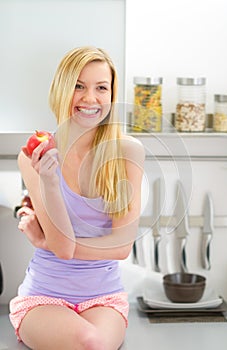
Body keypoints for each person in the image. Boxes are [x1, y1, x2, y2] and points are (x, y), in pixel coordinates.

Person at [9, 46, 145, 350]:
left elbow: (121, 246)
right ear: (62, 90)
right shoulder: (33, 155)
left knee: (93, 343)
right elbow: (63, 247)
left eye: (101, 88)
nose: (90, 98)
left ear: (112, 95)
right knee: (87, 341)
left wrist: (50, 243)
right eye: (78, 86)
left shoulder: (129, 152)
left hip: (105, 299)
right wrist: (49, 181)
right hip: (43, 297)